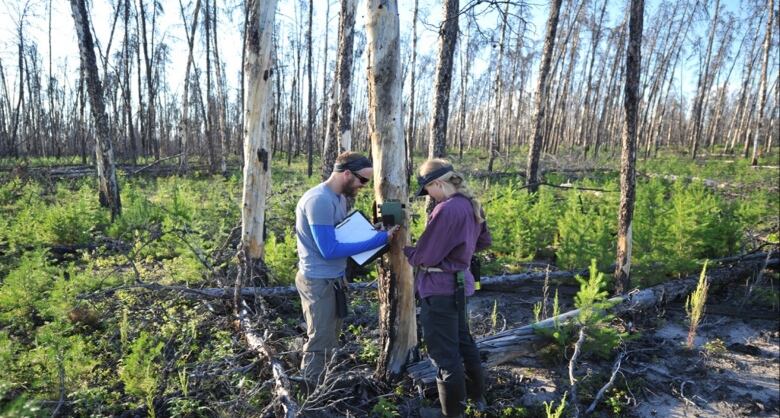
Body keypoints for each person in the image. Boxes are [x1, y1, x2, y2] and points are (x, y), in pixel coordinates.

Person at [294, 151, 399, 392]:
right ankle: (310, 395)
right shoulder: (318, 200)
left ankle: (323, 385)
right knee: (320, 339)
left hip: (334, 279)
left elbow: (340, 235)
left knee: (331, 337)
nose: (364, 186)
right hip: (318, 281)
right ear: (346, 174)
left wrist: (372, 232)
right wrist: (380, 240)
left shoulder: (339, 198)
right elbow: (329, 249)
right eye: (362, 180)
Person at [404, 159, 491, 418]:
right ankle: (478, 400)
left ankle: (452, 414)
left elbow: (425, 257)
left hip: (440, 288)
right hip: (460, 285)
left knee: (444, 354)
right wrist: (458, 254)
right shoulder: (471, 204)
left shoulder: (447, 209)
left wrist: (402, 246)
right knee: (464, 342)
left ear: (438, 183)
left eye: (428, 189)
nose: (428, 196)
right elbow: (484, 241)